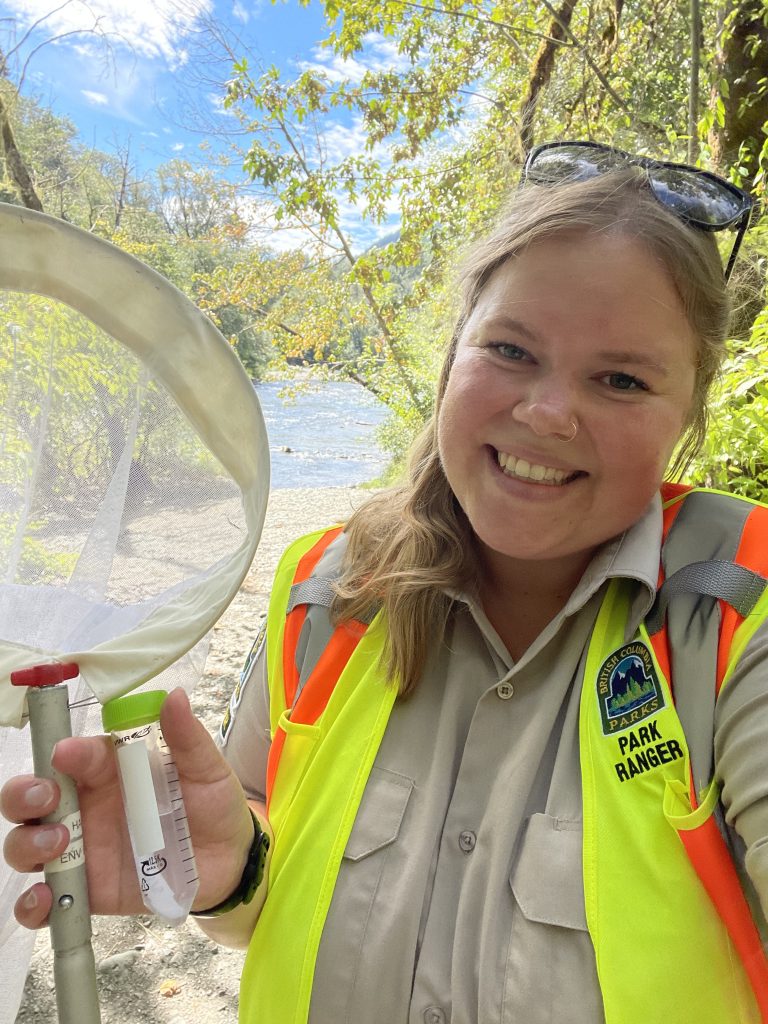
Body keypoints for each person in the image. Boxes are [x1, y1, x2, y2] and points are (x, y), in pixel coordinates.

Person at [2, 141, 767, 1024]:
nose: (548, 412)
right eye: (511, 350)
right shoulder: (326, 587)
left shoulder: (736, 612)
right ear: (453, 355)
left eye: (622, 378)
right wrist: (230, 866)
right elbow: (254, 887)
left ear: (689, 412)